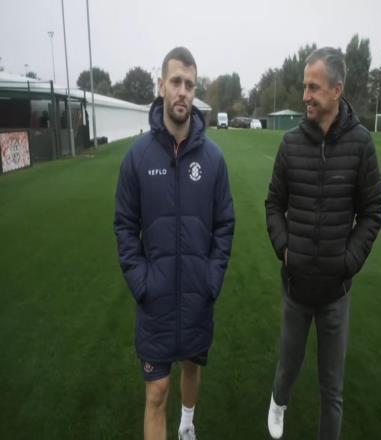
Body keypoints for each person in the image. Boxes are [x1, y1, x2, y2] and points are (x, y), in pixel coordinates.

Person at [114, 47, 235, 440]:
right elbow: (124, 226)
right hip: (157, 299)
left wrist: (211, 279)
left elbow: (225, 224)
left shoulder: (214, 159)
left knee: (192, 368)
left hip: (198, 295)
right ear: (161, 85)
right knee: (157, 392)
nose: (183, 91)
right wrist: (142, 283)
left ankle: (186, 425)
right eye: (176, 82)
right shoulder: (137, 157)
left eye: (190, 84)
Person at [265, 47, 381, 440]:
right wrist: (285, 250)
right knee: (288, 365)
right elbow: (273, 204)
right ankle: (278, 400)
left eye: (313, 88)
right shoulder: (290, 144)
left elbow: (372, 211)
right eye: (304, 87)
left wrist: (348, 261)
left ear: (337, 89)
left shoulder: (361, 144)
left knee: (332, 390)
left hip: (336, 292)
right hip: (296, 286)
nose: (305, 96)